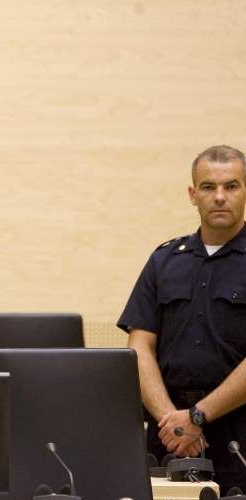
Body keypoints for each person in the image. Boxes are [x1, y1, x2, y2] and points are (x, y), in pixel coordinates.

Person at [119, 144, 246, 492]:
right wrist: (174, 424)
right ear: (193, 194)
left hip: (238, 435)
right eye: (208, 187)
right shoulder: (164, 261)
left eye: (231, 186)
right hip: (167, 437)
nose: (219, 197)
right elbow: (139, 346)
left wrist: (198, 416)